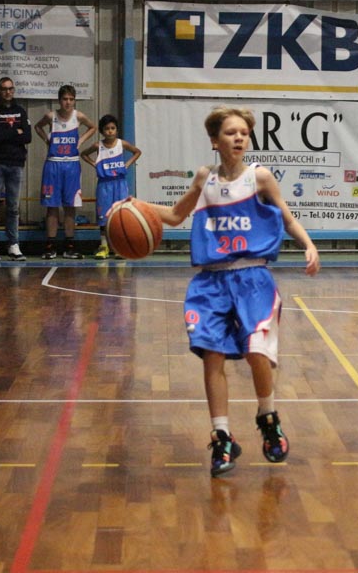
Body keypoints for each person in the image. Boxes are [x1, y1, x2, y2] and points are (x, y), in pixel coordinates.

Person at [143, 106, 319, 477]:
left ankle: (267, 417)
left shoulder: (260, 177)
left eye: (244, 133)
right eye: (230, 132)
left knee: (256, 351)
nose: (239, 138)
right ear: (214, 141)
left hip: (252, 277)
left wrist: (308, 244)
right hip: (211, 281)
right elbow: (174, 216)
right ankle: (221, 436)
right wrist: (136, 205)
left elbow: (287, 218)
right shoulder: (204, 178)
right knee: (212, 356)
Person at [34, 84, 96, 259]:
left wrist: (80, 141)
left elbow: (93, 127)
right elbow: (37, 127)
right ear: (59, 100)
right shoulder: (51, 116)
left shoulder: (78, 116)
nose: (68, 102)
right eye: (65, 99)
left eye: (71, 99)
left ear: (74, 100)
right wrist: (47, 140)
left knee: (70, 206)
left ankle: (70, 246)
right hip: (53, 164)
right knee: (52, 206)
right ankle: (50, 246)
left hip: (71, 165)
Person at [0, 77, 32, 262]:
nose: (8, 92)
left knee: (13, 207)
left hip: (16, 163)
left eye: (10, 89)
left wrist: (9, 134)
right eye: (4, 89)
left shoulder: (20, 111)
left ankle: (13, 244)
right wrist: (15, 132)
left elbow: (27, 136)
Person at [80, 114, 142, 259]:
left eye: (113, 128)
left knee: (120, 216)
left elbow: (137, 152)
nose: (110, 131)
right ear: (102, 131)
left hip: (120, 183)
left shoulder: (122, 144)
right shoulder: (98, 146)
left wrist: (127, 165)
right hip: (104, 184)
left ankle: (119, 247)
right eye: (107, 128)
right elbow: (83, 154)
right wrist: (95, 164)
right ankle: (104, 246)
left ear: (116, 130)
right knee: (103, 217)